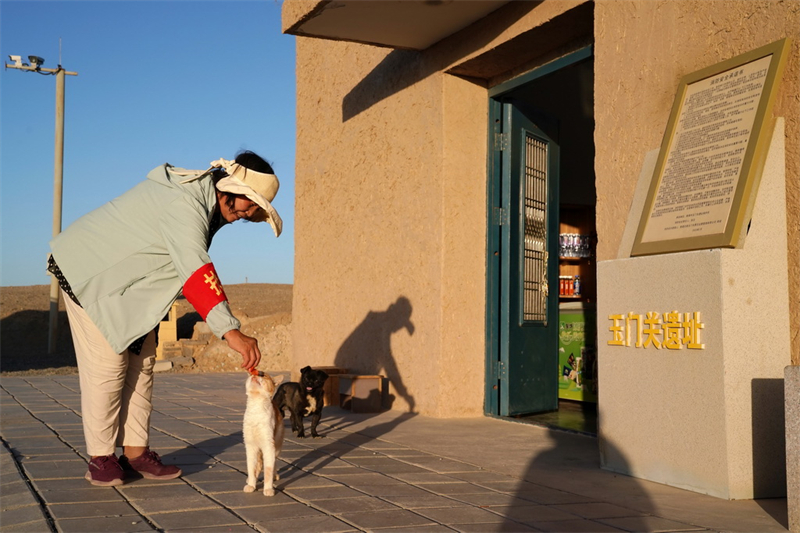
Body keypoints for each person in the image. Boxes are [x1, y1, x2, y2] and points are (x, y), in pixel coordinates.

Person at [48, 150, 282, 486]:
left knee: (141, 363)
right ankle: (101, 458)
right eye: (247, 206)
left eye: (250, 213)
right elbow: (194, 267)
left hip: (133, 290)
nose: (242, 216)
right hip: (91, 273)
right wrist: (231, 332)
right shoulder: (185, 203)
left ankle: (135, 453)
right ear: (230, 188)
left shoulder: (209, 203)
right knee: (109, 365)